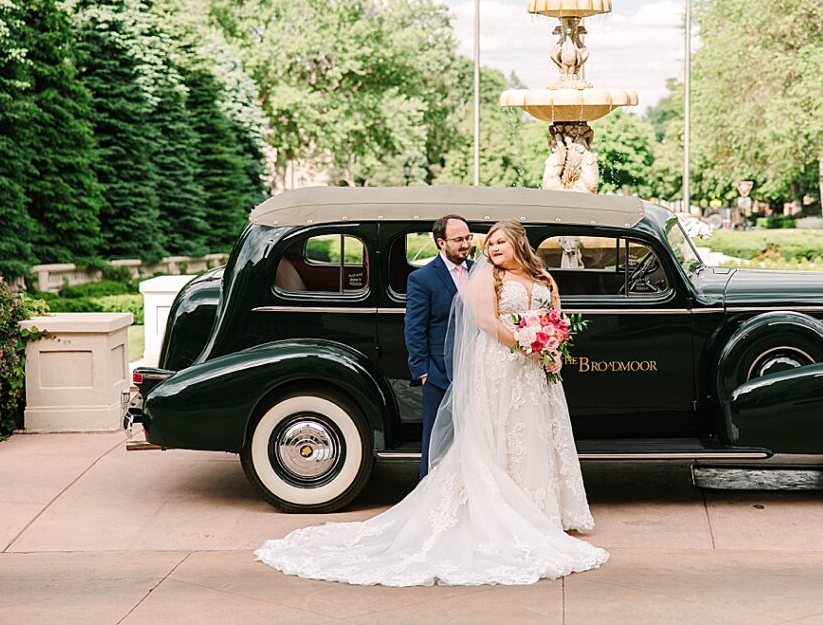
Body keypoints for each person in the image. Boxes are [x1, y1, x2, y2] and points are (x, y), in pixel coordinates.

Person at [254, 220, 608, 586]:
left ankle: (540, 510)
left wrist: (553, 350)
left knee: (533, 435)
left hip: (535, 373)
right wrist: (526, 345)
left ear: (519, 242)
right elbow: (485, 321)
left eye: (501, 242)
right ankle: (504, 512)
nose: (493, 249)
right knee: (500, 433)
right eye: (492, 244)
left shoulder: (544, 279)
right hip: (502, 364)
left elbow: (556, 319)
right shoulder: (488, 278)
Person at [404, 215, 473, 479]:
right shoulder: (422, 279)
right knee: (437, 439)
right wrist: (423, 371)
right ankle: (431, 495)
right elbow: (414, 328)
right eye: (459, 240)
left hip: (474, 369)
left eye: (468, 238)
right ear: (441, 242)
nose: (465, 244)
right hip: (438, 373)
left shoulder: (478, 270)